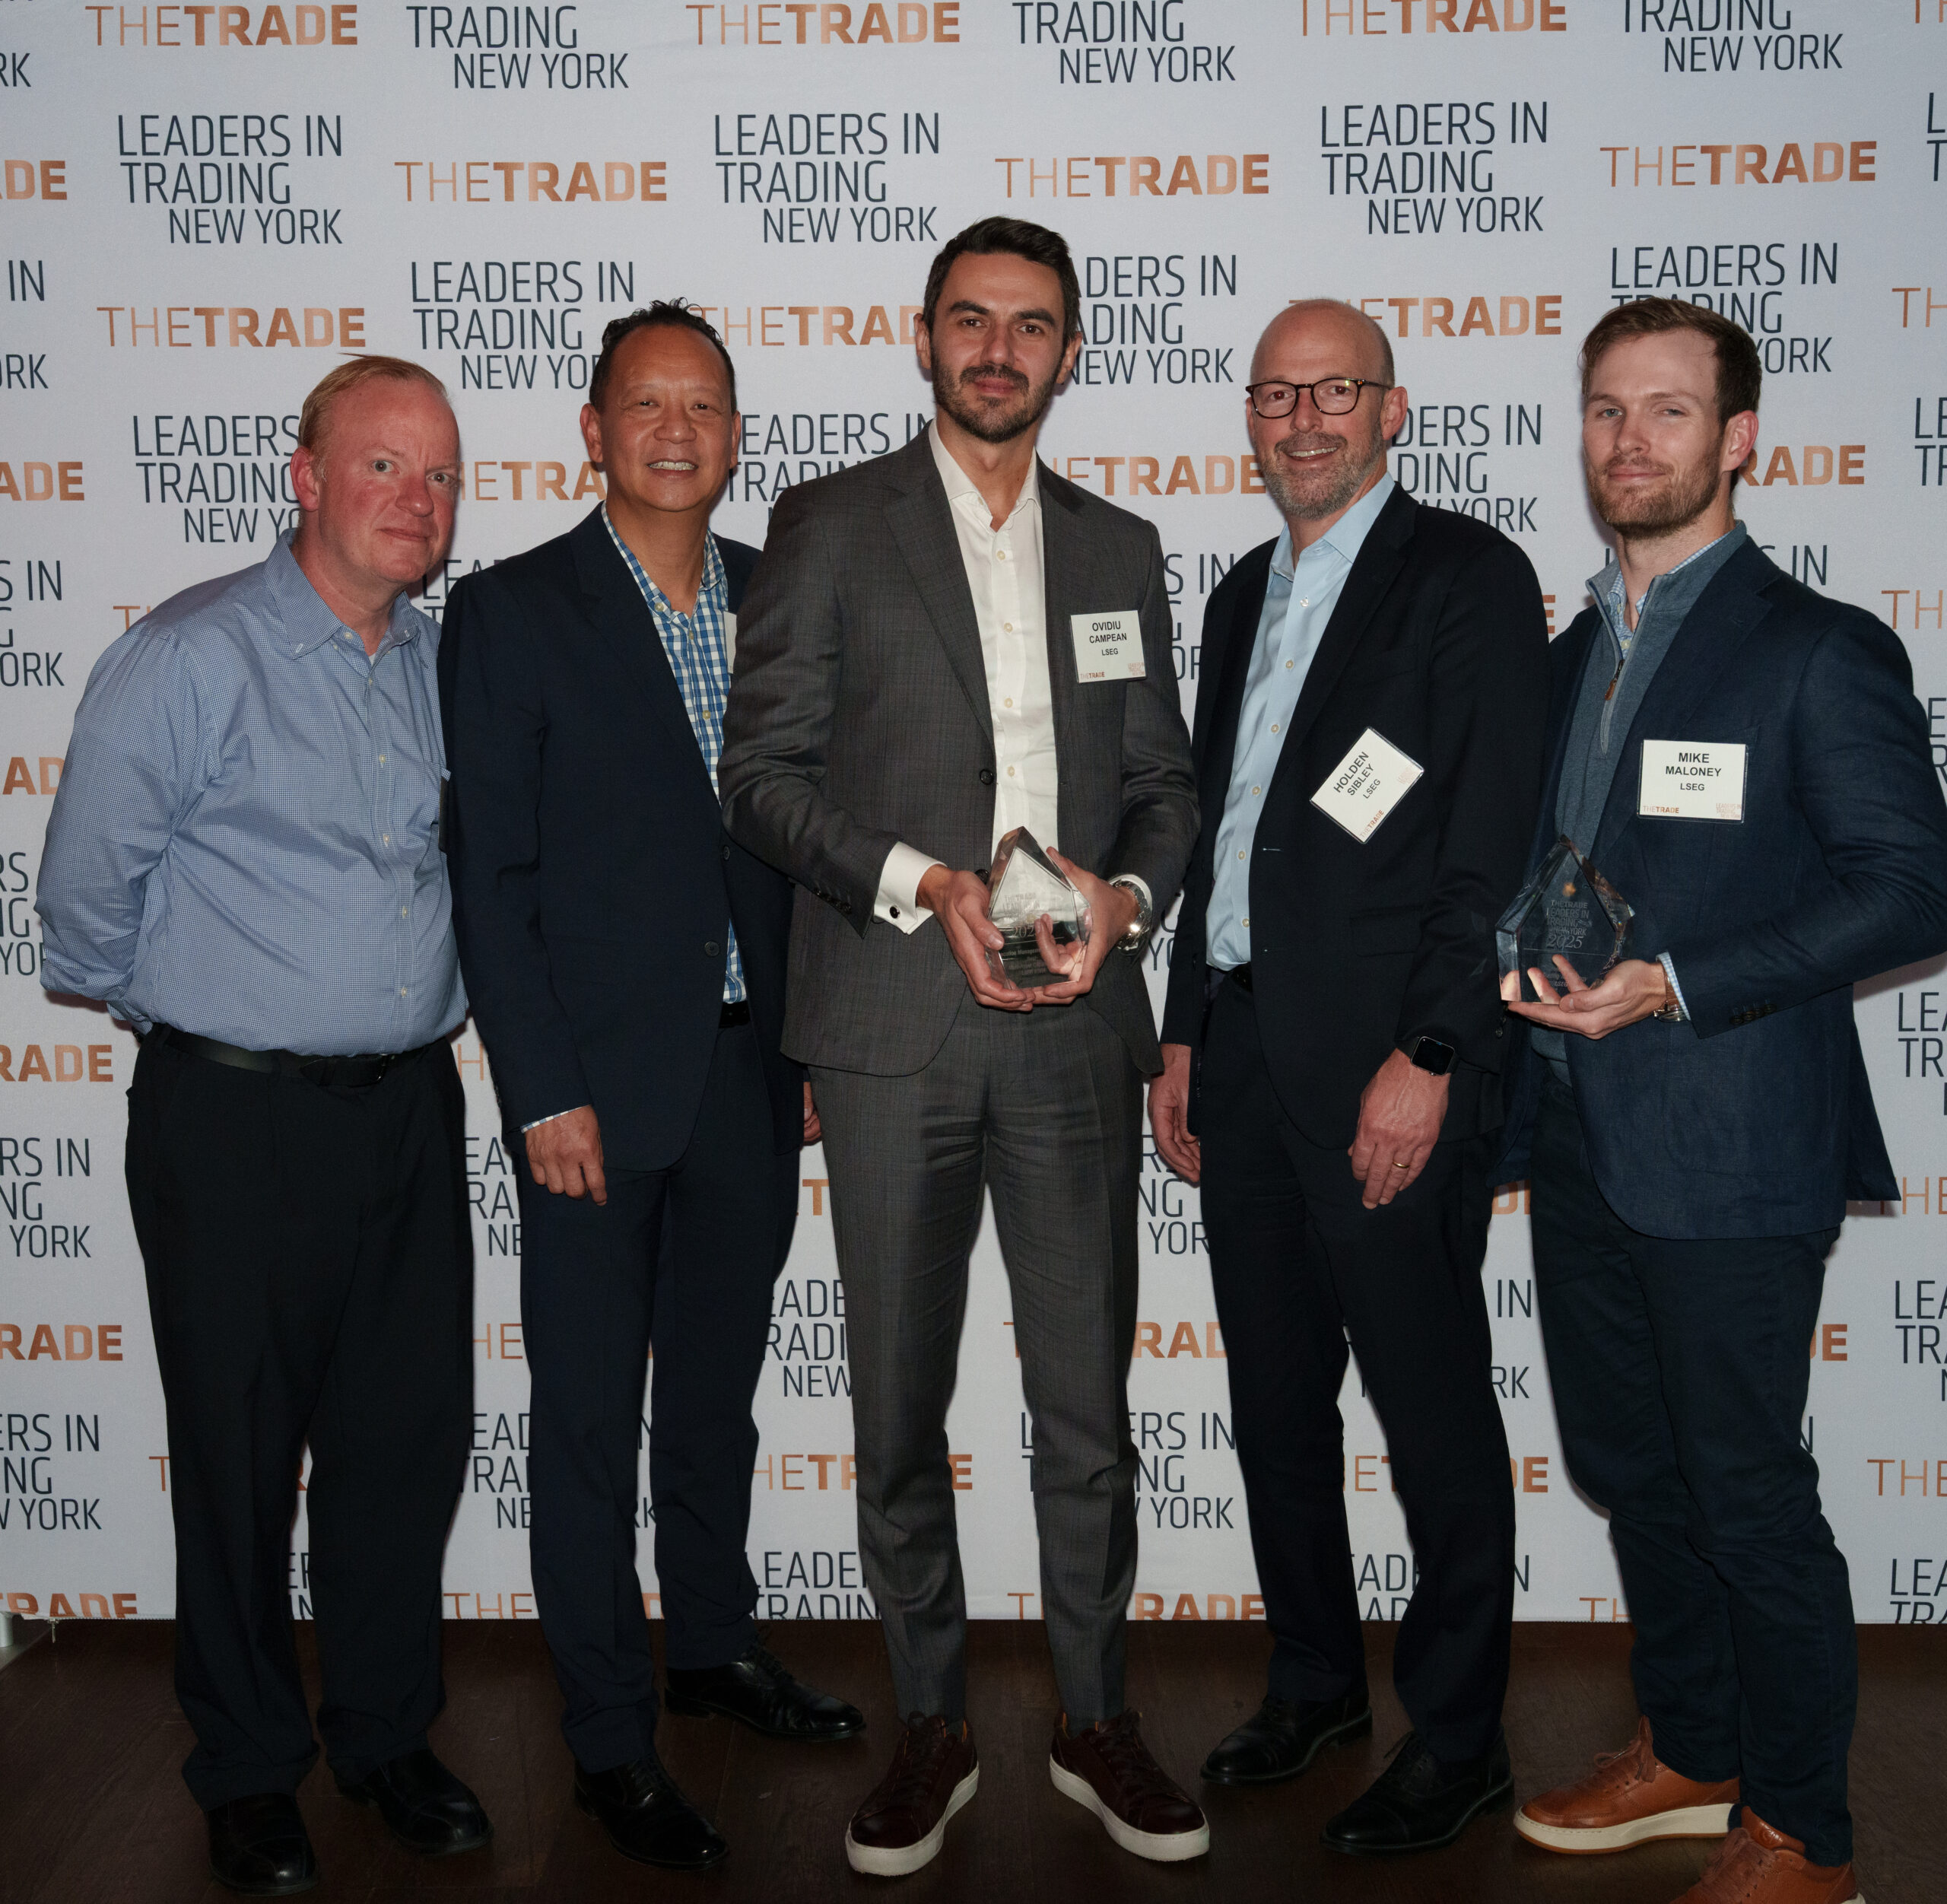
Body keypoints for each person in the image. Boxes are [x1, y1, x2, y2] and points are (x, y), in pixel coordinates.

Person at [719, 217, 1203, 1877]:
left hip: (1075, 1030)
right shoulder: (827, 525)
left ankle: (1092, 1718)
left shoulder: (1121, 547)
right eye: (971, 320)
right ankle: (930, 1721)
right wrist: (923, 884)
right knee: (896, 1409)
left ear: (1070, 351)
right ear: (921, 338)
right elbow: (761, 778)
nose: (1000, 349)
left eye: (1032, 324)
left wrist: (1122, 901)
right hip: (891, 1027)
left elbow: (1166, 787)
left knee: (1086, 1411)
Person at [1498, 297, 1947, 1904]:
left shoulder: (1817, 647)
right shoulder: (1568, 655)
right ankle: (1691, 1746)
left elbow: (1911, 887)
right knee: (1631, 1468)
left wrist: (1675, 981)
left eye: (1669, 411)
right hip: (1574, 1128)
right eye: (1606, 411)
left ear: (1738, 438)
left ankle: (1805, 1830)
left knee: (1746, 1492)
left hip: (1734, 1145)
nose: (1630, 441)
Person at [37, 357, 488, 1895]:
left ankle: (383, 1735)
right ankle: (243, 1766)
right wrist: (214, 1023)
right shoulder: (187, 655)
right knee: (236, 1457)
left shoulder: (443, 662)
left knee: (403, 1446)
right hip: (234, 1118)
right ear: (304, 477)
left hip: (410, 1111)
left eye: (439, 475)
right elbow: (82, 909)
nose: (416, 499)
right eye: (383, 465)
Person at [437, 304, 862, 1876]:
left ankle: (713, 1645)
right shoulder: (511, 609)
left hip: (751, 1077)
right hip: (591, 1105)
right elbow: (491, 876)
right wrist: (540, 1087)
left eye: (704, 406)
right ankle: (609, 1734)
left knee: (712, 1402)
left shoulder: (775, 596)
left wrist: (804, 1045)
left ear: (736, 435)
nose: (676, 431)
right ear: (594, 430)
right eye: (645, 403)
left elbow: (803, 848)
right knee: (584, 1420)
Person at [1150, 300, 1549, 1855]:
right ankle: (1314, 1679)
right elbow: (1223, 832)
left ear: (1394, 411)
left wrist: (1434, 1050)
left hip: (1389, 1067)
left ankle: (1458, 1737)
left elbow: (1488, 844)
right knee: (1273, 1403)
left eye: (1335, 391)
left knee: (1429, 1409)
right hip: (1243, 1056)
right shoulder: (1242, 590)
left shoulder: (1465, 577)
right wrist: (1184, 1025)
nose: (1302, 418)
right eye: (1276, 393)